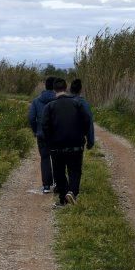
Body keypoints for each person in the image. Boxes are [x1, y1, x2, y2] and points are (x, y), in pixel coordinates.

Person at [40, 78, 93, 206]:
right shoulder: (77, 104)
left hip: (57, 147)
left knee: (59, 172)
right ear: (66, 88)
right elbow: (87, 120)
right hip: (76, 145)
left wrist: (49, 141)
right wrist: (84, 135)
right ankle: (72, 192)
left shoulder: (49, 107)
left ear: (54, 90)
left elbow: (45, 126)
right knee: (75, 170)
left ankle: (63, 200)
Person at [28, 77, 57, 193]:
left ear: (45, 86)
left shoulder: (36, 101)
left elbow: (31, 118)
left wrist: (35, 130)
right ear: (54, 87)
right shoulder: (58, 100)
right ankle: (58, 183)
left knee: (45, 158)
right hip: (56, 134)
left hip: (42, 134)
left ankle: (46, 186)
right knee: (56, 158)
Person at [70, 78, 95, 148]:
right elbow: (89, 121)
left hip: (62, 140)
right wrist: (90, 141)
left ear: (70, 90)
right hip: (78, 140)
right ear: (80, 90)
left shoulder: (63, 102)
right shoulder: (84, 103)